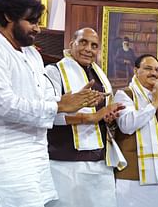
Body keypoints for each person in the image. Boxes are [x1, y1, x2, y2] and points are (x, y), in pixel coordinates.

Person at [0, 0, 102, 207]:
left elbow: (46, 94)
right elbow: (3, 103)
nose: (37, 28)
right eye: (31, 21)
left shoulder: (32, 53)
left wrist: (65, 103)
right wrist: (58, 106)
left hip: (38, 155)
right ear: (8, 16)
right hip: (8, 158)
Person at [44, 27, 125, 207]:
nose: (88, 49)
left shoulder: (100, 78)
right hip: (63, 161)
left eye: (94, 45)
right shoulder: (54, 71)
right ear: (71, 44)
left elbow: (101, 117)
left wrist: (108, 117)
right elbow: (46, 115)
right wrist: (89, 117)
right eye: (83, 42)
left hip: (99, 161)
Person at [114, 54, 158, 207]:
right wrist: (154, 105)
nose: (154, 73)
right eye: (148, 68)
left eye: (157, 70)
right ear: (135, 70)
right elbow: (127, 125)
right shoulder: (124, 94)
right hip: (135, 177)